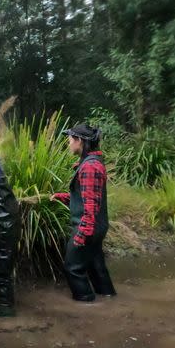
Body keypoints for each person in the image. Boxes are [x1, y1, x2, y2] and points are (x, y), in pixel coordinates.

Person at [50, 123, 117, 302]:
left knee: (73, 267)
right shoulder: (92, 163)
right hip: (97, 227)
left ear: (80, 141)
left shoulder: (89, 167)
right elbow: (88, 196)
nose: (68, 143)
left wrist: (82, 235)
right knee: (96, 266)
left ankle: (86, 303)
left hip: (89, 227)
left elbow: (91, 205)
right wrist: (63, 197)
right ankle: (108, 298)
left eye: (70, 139)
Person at [0, 155, 21, 317]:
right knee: (4, 270)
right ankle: (5, 308)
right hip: (9, 220)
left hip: (0, 223)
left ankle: (3, 309)